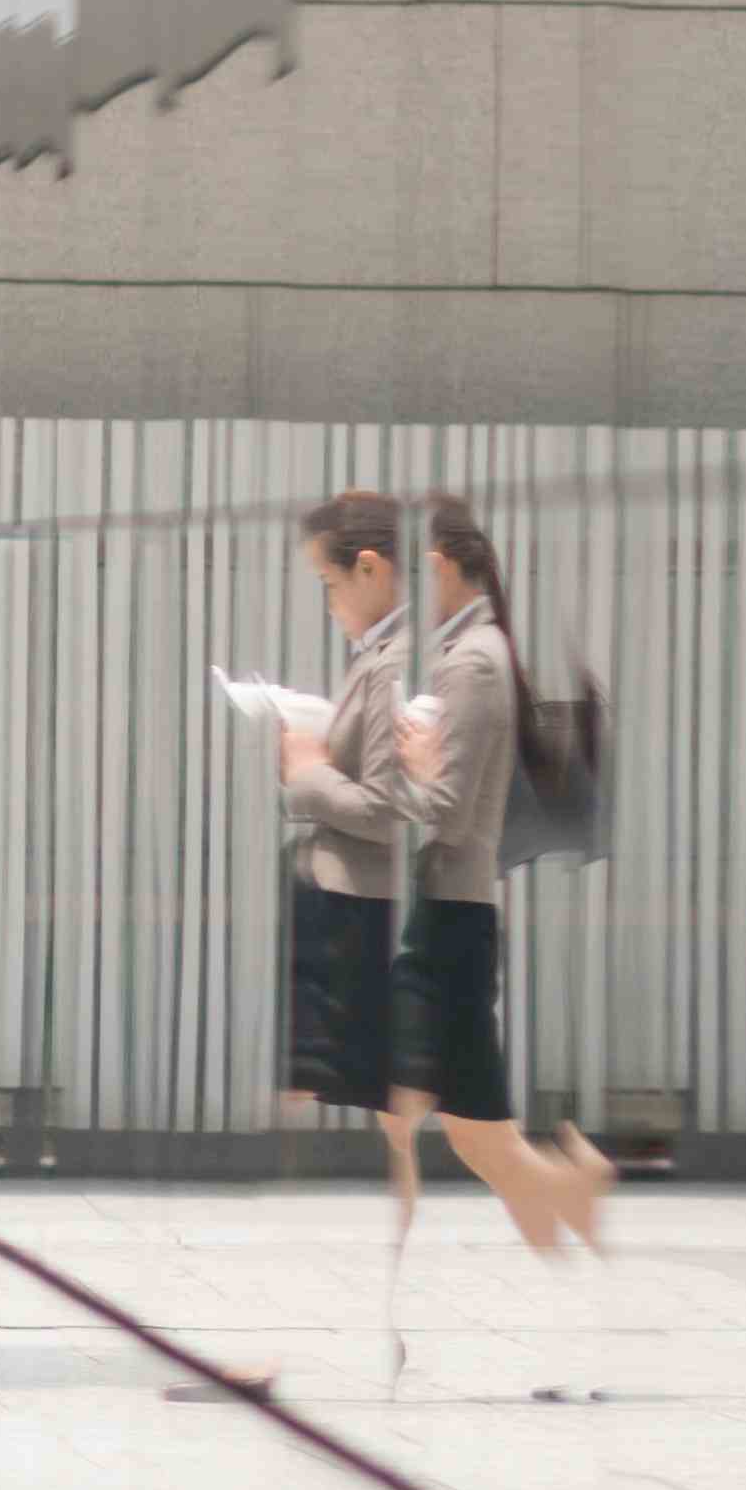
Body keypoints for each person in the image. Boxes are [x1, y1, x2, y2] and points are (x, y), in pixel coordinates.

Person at [287, 495, 606, 1258]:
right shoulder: (465, 654)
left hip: (445, 925)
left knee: (435, 1125)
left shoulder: (469, 662)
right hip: (443, 918)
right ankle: (566, 1219)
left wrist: (308, 778)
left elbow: (439, 812)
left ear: (431, 567)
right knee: (449, 1129)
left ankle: (569, 1207)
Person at [273, 492, 412, 1197]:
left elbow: (387, 811)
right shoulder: (380, 655)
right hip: (352, 906)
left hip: (369, 911)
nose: (326, 603)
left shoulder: (396, 666)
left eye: (328, 586)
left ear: (367, 568)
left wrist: (308, 771)